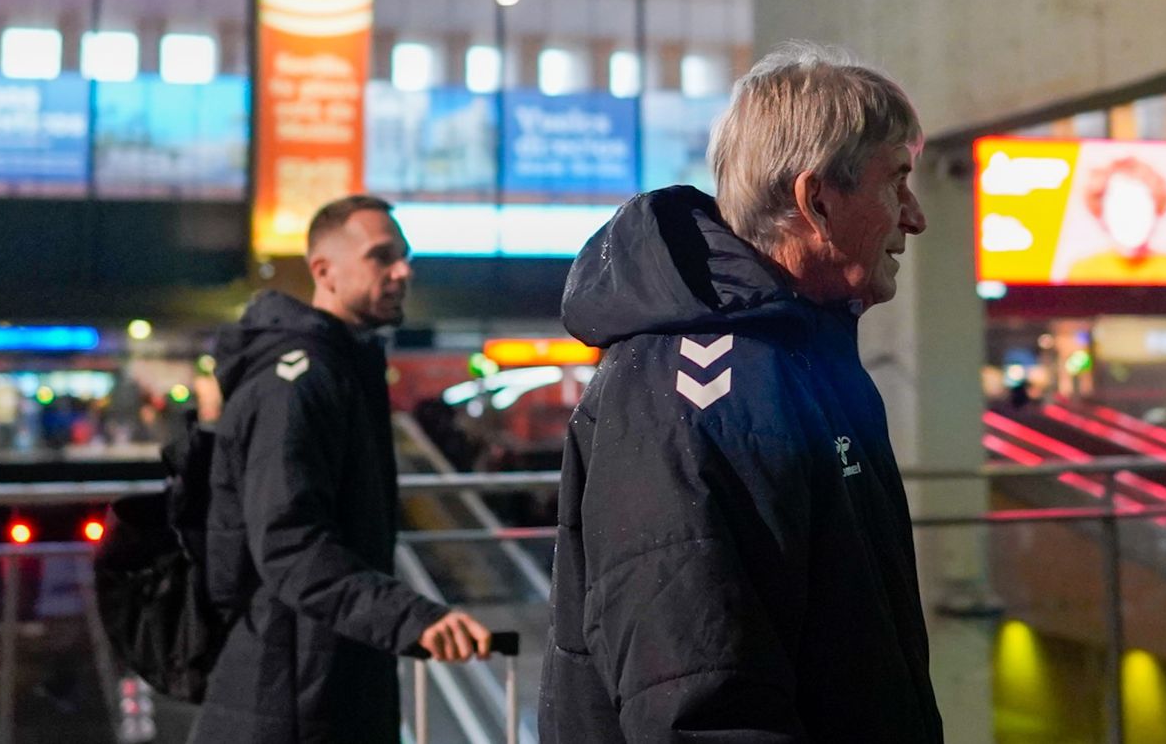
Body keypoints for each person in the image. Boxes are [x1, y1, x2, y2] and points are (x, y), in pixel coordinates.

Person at [539, 44, 945, 743]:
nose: (914, 216)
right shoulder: (697, 394)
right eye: (896, 182)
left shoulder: (801, 360)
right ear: (816, 199)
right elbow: (700, 704)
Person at [192, 194, 492, 744]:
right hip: (289, 694)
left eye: (405, 257)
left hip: (320, 678)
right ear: (323, 271)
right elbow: (289, 544)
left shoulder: (341, 366)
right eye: (382, 257)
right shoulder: (298, 382)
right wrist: (410, 617)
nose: (403, 271)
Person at [1063, 155, 1166, 284]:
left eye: (1140, 205)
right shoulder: (1083, 273)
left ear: (1157, 209)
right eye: (1120, 205)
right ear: (1101, 213)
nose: (1130, 216)